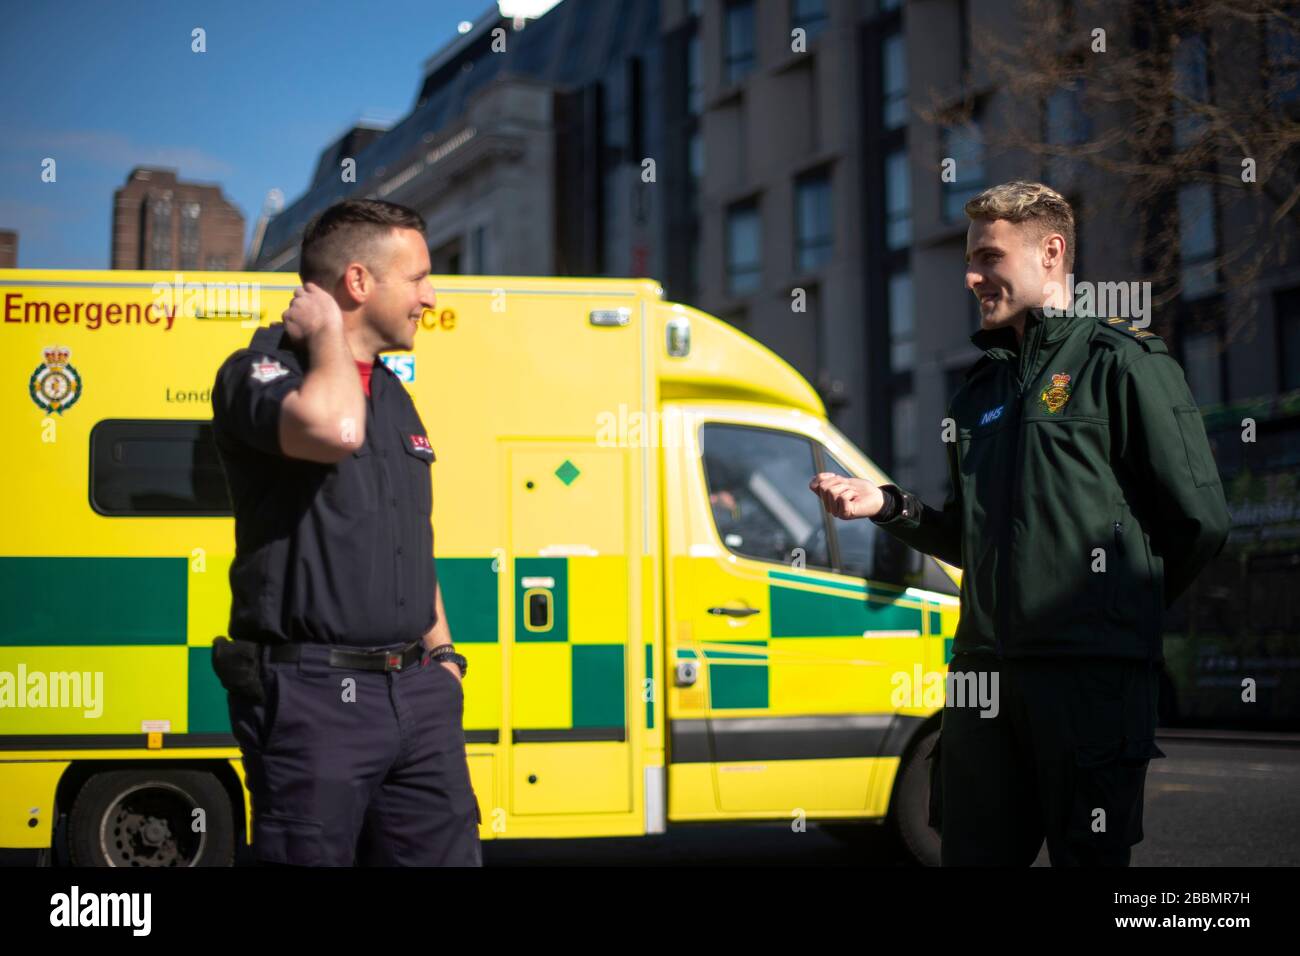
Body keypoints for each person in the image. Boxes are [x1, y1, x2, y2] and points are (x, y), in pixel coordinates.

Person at [810, 181, 1230, 866]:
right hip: (981, 680)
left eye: (989, 257)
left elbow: (1200, 521)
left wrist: (1115, 616)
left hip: (1087, 685)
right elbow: (975, 546)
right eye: (970, 261)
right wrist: (889, 506)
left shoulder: (1121, 363)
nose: (973, 277)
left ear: (1050, 252)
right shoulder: (979, 391)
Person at [209, 198, 480, 866]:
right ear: (358, 283)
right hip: (315, 701)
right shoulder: (258, 370)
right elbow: (333, 429)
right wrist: (328, 337)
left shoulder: (395, 393)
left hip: (417, 692)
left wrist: (443, 661)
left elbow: (411, 538)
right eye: (417, 276)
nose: (431, 295)